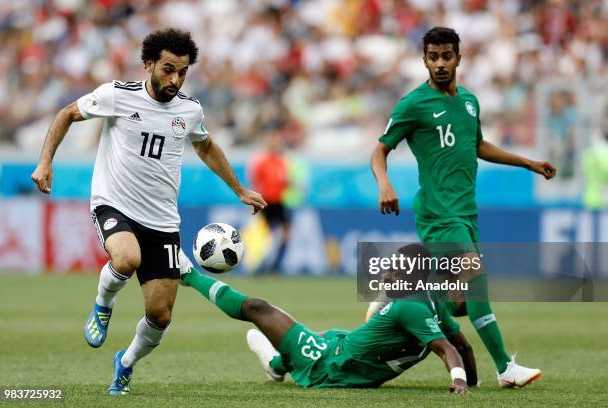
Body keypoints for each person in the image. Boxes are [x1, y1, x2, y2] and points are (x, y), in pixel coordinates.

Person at [30, 28, 267, 395]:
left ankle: (125, 363)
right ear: (148, 64)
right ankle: (102, 305)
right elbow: (66, 114)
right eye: (168, 69)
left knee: (160, 315)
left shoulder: (189, 110)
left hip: (162, 220)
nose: (175, 79)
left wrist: (239, 190)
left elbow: (206, 147)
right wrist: (45, 162)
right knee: (125, 259)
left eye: (183, 72)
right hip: (114, 202)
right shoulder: (116, 96)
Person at [370, 27, 554, 388]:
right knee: (475, 276)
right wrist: (384, 183)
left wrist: (527, 162)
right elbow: (379, 150)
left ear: (458, 57)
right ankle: (505, 368)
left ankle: (401, 295)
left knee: (461, 302)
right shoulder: (412, 104)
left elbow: (478, 145)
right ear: (424, 60)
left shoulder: (470, 101)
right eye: (433, 57)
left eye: (446, 56)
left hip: (467, 212)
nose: (440, 64)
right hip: (439, 213)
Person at [179, 245, 477, 393]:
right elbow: (464, 348)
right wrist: (471, 383)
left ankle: (188, 275)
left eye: (395, 269)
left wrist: (459, 383)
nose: (386, 274)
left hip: (327, 365)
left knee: (257, 307)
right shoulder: (435, 303)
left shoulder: (410, 308)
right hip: (341, 346)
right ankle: (276, 364)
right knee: (325, 334)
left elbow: (448, 350)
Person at [248, 122, 291, 273]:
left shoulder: (281, 161)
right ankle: (259, 265)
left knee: (285, 235)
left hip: (279, 202)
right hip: (266, 203)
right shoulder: (262, 162)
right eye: (272, 139)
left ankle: (275, 265)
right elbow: (254, 183)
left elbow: (284, 182)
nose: (275, 142)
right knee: (266, 236)